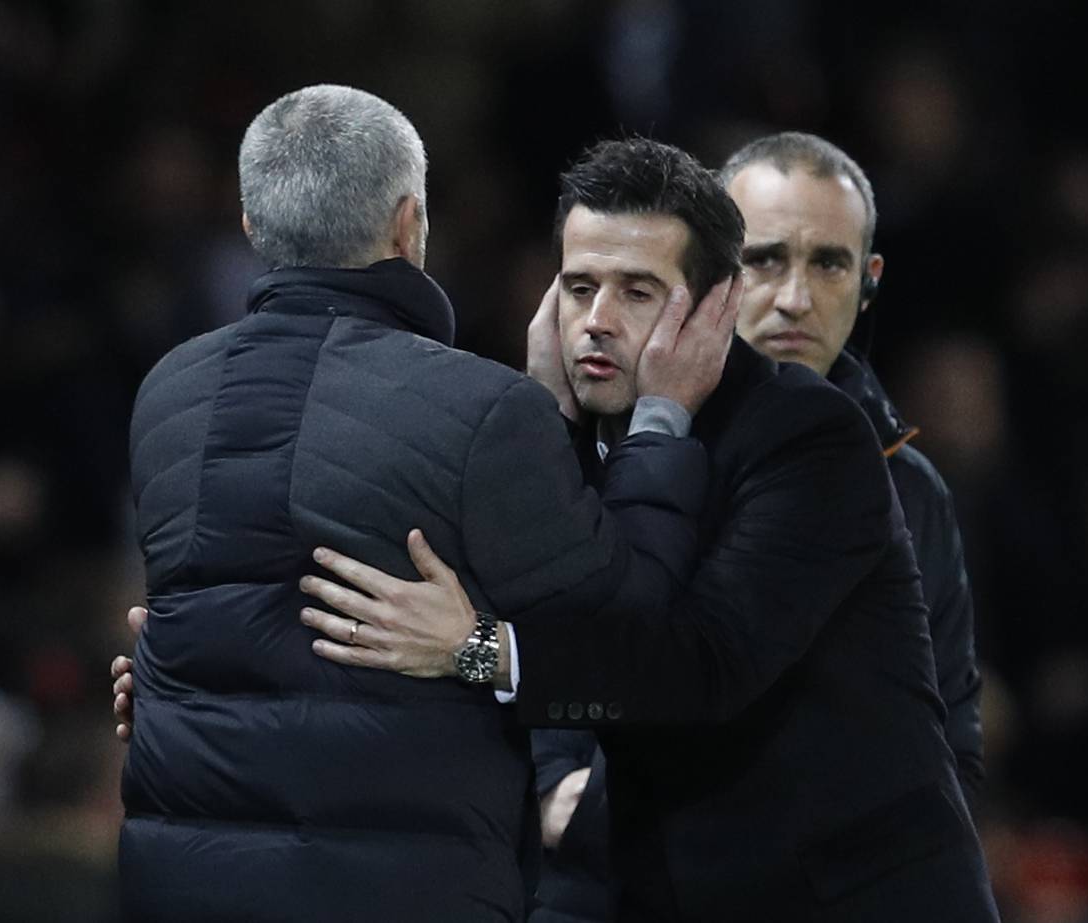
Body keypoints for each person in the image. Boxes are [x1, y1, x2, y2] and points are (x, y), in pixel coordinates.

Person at [291, 137, 1001, 921]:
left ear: (713, 306)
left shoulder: (808, 437)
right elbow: (401, 624)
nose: (595, 321)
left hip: (848, 894)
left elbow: (704, 661)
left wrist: (478, 647)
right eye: (579, 286)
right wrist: (172, 675)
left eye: (636, 292)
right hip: (671, 887)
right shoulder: (550, 440)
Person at [117, 86, 739, 922]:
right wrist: (659, 421)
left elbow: (230, 625)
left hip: (176, 887)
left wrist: (165, 676)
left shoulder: (165, 394)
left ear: (252, 226)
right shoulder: (482, 411)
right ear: (409, 223)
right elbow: (624, 627)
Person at [528, 131, 986, 923]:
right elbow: (569, 622)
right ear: (723, 281)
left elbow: (693, 666)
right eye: (765, 260)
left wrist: (473, 651)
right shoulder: (586, 429)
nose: (794, 298)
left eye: (827, 263)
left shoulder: (852, 458)